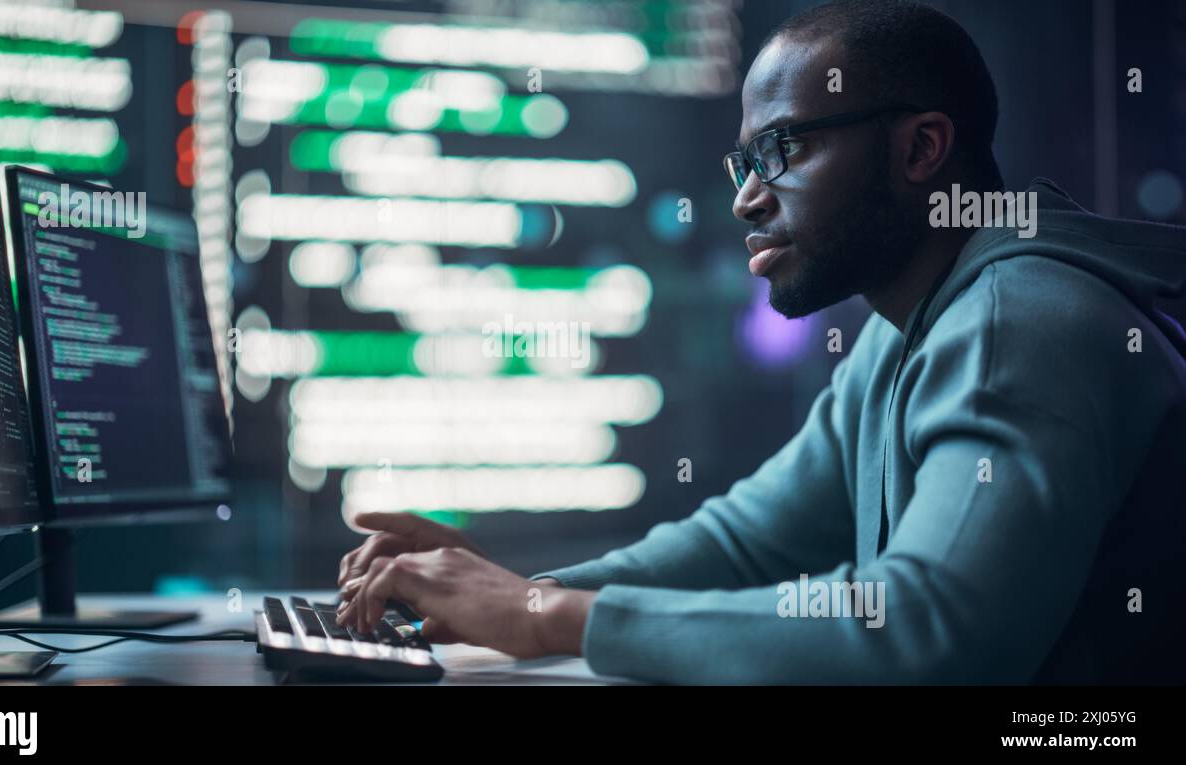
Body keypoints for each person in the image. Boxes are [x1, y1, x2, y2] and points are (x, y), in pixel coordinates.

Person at [334, 0, 1186, 684]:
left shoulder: (1018, 321)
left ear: (922, 147)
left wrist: (539, 616)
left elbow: (928, 631)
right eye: (743, 165)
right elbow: (744, 546)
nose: (747, 199)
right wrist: (524, 590)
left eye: (780, 150)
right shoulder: (908, 335)